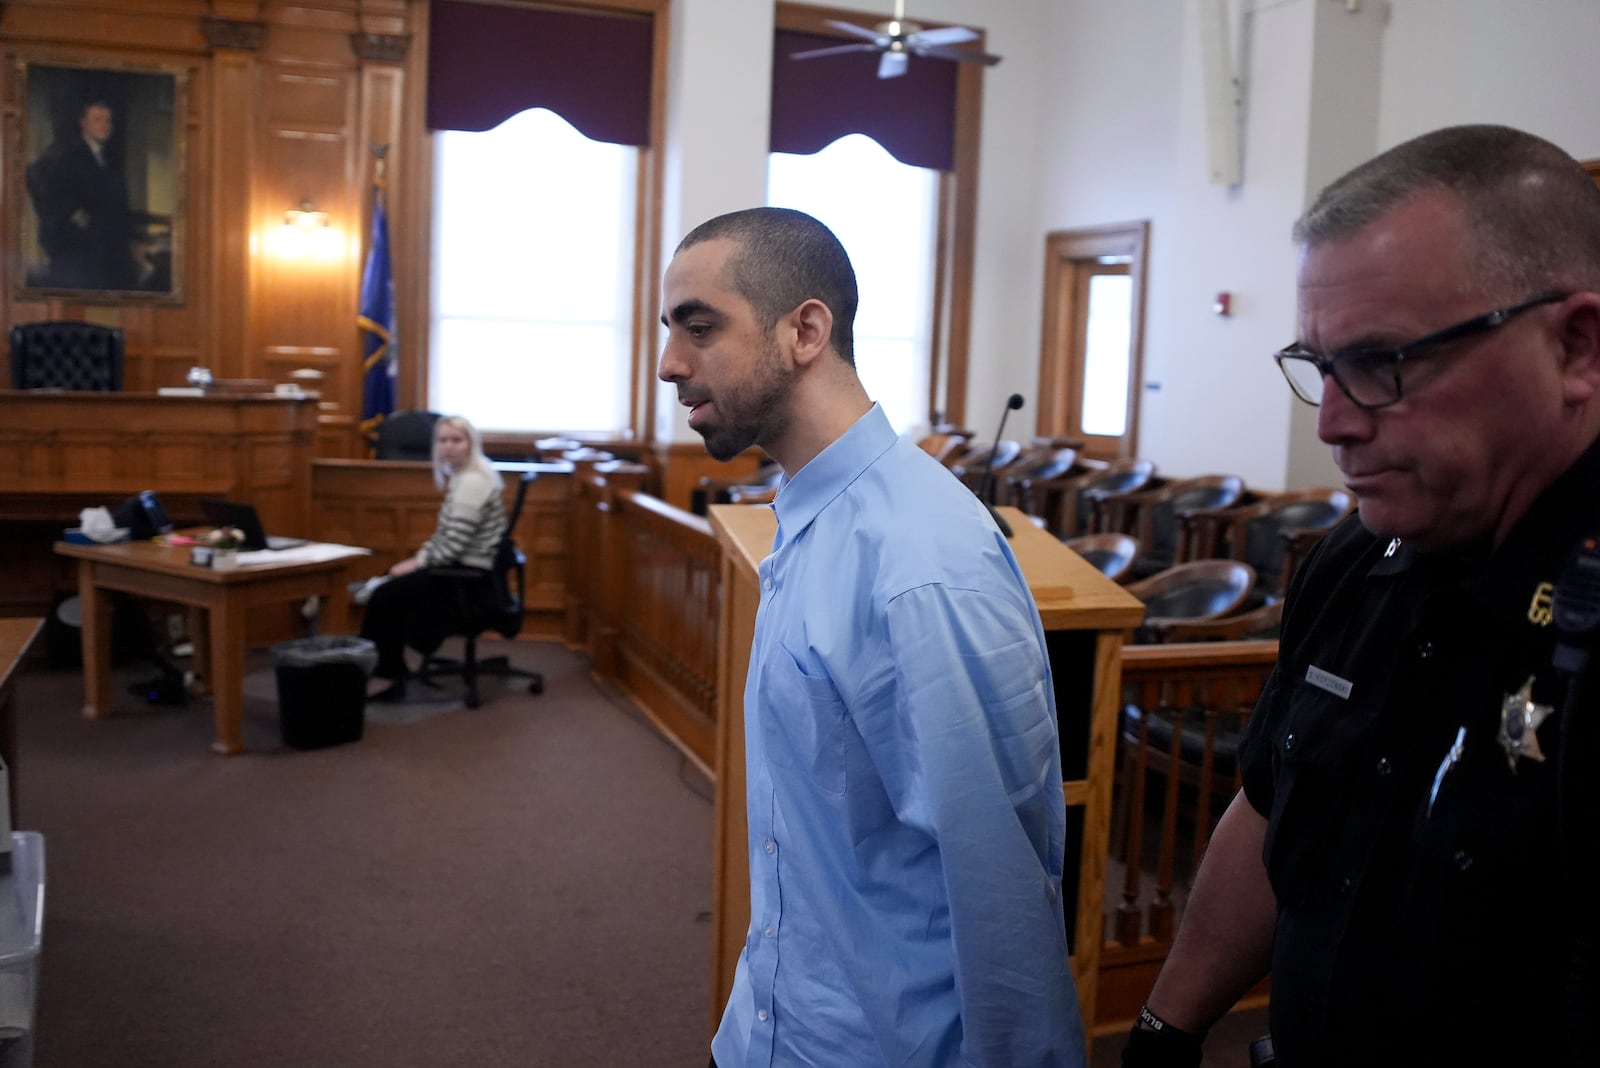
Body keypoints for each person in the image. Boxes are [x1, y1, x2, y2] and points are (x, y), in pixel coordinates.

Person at [1123, 125, 1600, 1068]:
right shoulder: (1355, 556)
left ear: (1576, 347)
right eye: (1321, 366)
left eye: (1384, 362)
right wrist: (1163, 1031)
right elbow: (1272, 804)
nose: (1334, 425)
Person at [659, 206, 1085, 1067]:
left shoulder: (921, 561)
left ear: (805, 329)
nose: (670, 364)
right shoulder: (817, 513)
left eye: (699, 328)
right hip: (773, 1023)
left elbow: (1001, 896)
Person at [360, 414, 507, 702]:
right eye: (442, 440)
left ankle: (384, 678)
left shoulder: (472, 484)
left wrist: (418, 563)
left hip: (465, 581)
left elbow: (451, 547)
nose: (448, 447)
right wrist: (419, 559)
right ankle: (391, 670)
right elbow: (444, 538)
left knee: (384, 597)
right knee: (390, 583)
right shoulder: (464, 477)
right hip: (460, 571)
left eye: (456, 440)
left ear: (470, 445)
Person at [25, 98, 148, 291]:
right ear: (83, 123)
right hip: (76, 247)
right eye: (98, 119)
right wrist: (73, 213)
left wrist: (132, 238)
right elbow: (35, 178)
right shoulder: (66, 153)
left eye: (108, 120)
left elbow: (117, 205)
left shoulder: (109, 158)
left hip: (106, 248)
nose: (105, 125)